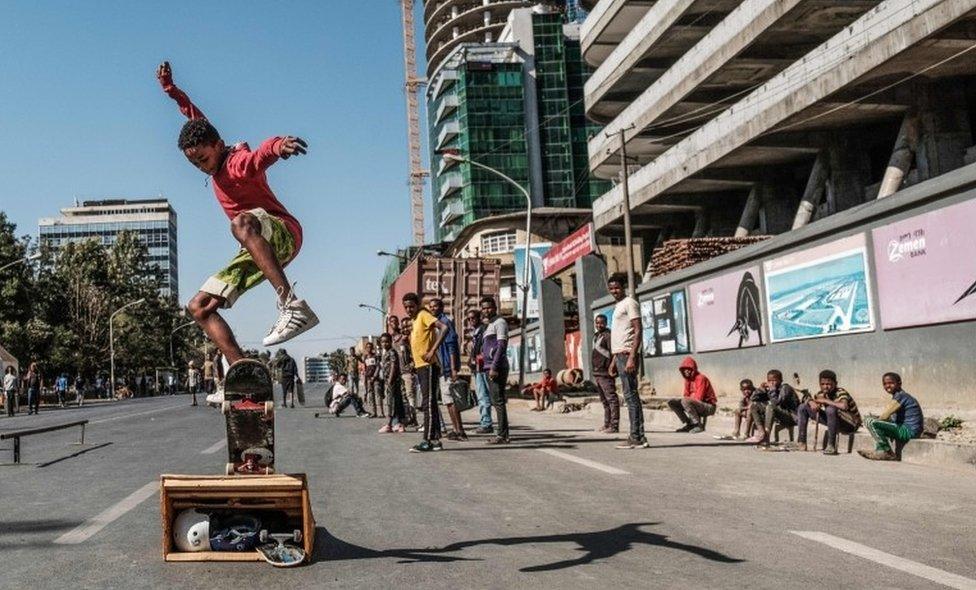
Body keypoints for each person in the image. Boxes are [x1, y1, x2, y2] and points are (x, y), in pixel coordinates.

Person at [156, 61, 319, 405]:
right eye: (194, 163)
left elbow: (260, 155)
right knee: (198, 307)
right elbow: (191, 113)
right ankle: (241, 377)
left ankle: (291, 305)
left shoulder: (235, 162)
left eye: (202, 158)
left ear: (217, 144)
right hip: (256, 247)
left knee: (241, 223)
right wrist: (170, 89)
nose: (201, 166)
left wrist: (278, 146)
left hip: (283, 232)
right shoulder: (206, 141)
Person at [404, 292, 450, 453]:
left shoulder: (424, 315)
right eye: (406, 307)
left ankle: (427, 440)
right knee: (430, 403)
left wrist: (432, 351)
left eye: (411, 306)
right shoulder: (414, 320)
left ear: (418, 305)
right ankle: (436, 440)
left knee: (427, 403)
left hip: (428, 365)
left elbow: (444, 328)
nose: (409, 309)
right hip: (421, 366)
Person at [607, 273, 648, 449]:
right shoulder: (618, 306)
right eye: (611, 289)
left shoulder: (630, 303)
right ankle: (635, 435)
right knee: (629, 396)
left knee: (631, 396)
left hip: (627, 355)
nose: (614, 291)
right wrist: (614, 360)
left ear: (623, 287)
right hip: (620, 356)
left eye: (617, 287)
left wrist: (632, 356)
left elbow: (637, 330)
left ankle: (637, 437)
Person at [859, 373, 923, 461]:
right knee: (874, 421)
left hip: (909, 431)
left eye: (891, 383)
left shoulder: (901, 396)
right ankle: (880, 450)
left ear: (899, 384)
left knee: (870, 421)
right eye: (885, 384)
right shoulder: (899, 396)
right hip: (904, 428)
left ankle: (887, 452)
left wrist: (876, 421)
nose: (887, 386)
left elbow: (885, 416)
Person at [796, 370, 862, 455]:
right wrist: (811, 402)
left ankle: (831, 445)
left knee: (830, 409)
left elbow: (844, 406)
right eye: (822, 384)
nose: (825, 387)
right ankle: (801, 442)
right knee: (802, 407)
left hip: (850, 423)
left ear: (835, 383)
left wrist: (825, 401)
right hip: (835, 421)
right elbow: (809, 399)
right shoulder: (821, 394)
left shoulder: (841, 392)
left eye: (828, 384)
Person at [429, 298, 466, 441]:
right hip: (442, 369)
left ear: (442, 307)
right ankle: (456, 430)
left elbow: (451, 347)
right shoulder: (435, 323)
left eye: (436, 306)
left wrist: (453, 369)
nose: (433, 308)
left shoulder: (445, 322)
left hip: (447, 368)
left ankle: (460, 431)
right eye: (431, 307)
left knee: (452, 401)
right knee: (448, 402)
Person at [479, 296, 510, 445]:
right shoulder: (489, 325)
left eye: (489, 307)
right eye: (484, 308)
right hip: (488, 367)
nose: (486, 310)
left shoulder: (500, 322)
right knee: (495, 401)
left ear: (495, 307)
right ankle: (503, 434)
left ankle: (502, 435)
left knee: (498, 402)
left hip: (496, 367)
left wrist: (494, 367)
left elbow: (501, 346)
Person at [747, 369, 799, 447]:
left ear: (781, 380)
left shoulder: (785, 388)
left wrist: (772, 390)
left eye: (774, 380)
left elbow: (777, 403)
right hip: (781, 415)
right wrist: (761, 389)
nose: (771, 383)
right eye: (769, 380)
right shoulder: (771, 389)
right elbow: (753, 399)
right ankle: (762, 432)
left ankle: (766, 436)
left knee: (770, 406)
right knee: (754, 406)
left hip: (792, 417)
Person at [668, 357, 717, 433]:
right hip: (696, 404)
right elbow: (686, 395)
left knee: (685, 401)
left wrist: (689, 398)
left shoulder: (701, 378)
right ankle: (689, 424)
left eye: (688, 369)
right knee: (672, 402)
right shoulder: (687, 380)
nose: (686, 371)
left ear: (693, 369)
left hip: (708, 406)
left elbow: (698, 397)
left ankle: (698, 425)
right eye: (684, 369)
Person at [467, 309, 493, 434]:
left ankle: (486, 423)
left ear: (479, 318)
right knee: (481, 396)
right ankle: (485, 421)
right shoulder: (476, 332)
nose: (471, 321)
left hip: (482, 368)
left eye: (473, 318)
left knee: (483, 396)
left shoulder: (483, 330)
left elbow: (485, 349)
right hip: (477, 368)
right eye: (469, 319)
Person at [592, 313, 619, 433]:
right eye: (597, 323)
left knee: (611, 399)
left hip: (605, 372)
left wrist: (612, 367)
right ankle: (607, 424)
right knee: (604, 401)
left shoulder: (608, 336)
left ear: (606, 323)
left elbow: (614, 354)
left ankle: (614, 425)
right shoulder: (596, 336)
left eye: (601, 322)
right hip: (597, 373)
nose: (599, 325)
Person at [377, 332, 406, 434]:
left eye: (386, 341)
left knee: (391, 403)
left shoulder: (392, 352)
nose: (384, 344)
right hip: (389, 381)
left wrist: (389, 380)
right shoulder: (385, 353)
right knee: (397, 402)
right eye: (383, 342)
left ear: (390, 342)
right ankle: (399, 424)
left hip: (393, 381)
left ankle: (389, 424)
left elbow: (394, 366)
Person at [396, 317, 419, 428]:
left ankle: (413, 419)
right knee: (405, 396)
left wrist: (411, 367)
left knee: (411, 396)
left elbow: (416, 355)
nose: (405, 329)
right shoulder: (402, 340)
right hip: (401, 373)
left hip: (409, 373)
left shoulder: (412, 338)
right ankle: (409, 417)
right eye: (403, 326)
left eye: (407, 326)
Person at [362, 341, 382, 417]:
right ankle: (374, 412)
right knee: (371, 396)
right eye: (367, 347)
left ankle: (381, 412)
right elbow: (364, 368)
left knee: (378, 395)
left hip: (376, 378)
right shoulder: (365, 357)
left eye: (370, 347)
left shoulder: (375, 357)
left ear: (372, 348)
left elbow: (378, 367)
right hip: (368, 379)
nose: (369, 349)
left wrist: (374, 376)